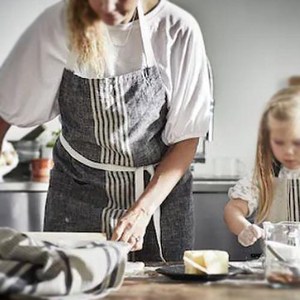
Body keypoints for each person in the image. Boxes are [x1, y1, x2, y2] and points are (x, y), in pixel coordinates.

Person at [0, 0, 213, 261]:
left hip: (158, 199)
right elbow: (5, 108)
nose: (109, 6)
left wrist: (142, 211)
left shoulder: (177, 29)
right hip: (76, 193)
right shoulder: (59, 25)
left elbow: (187, 139)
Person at [224, 86, 300, 247]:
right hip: (276, 266)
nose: (289, 151)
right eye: (279, 142)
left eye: (297, 142)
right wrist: (244, 228)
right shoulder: (263, 176)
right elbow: (233, 209)